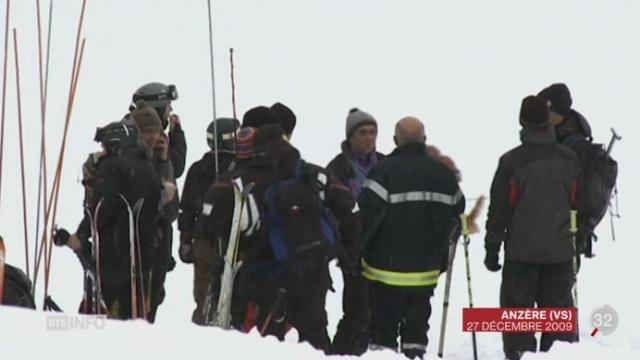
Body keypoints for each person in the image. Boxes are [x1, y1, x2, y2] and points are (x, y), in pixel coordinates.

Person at [197, 118, 354, 353]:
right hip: (311, 272)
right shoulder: (311, 174)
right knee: (315, 337)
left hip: (261, 275)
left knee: (262, 343)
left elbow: (207, 224)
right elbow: (348, 205)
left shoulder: (237, 181)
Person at [359, 116, 465, 359]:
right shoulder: (444, 176)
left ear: (395, 140)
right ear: (424, 140)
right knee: (417, 330)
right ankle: (414, 354)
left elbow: (367, 217)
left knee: (383, 332)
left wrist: (359, 252)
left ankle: (383, 351)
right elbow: (456, 217)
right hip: (425, 271)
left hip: (383, 269)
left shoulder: (382, 172)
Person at [484, 95, 580, 360]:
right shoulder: (569, 159)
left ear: (522, 121)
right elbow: (577, 204)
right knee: (558, 325)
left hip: (521, 255)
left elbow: (500, 210)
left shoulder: (512, 161)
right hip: (560, 254)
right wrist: (577, 242)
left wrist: (492, 246)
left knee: (518, 324)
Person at [66, 106, 169, 320]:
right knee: (137, 314)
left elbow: (102, 209)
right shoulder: (147, 167)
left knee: (103, 317)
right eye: (147, 132)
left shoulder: (112, 166)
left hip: (114, 255)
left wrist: (86, 234)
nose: (152, 137)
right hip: (145, 255)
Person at [326, 107, 384, 355]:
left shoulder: (385, 162)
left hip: (385, 247)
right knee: (357, 308)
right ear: (350, 136)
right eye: (363, 132)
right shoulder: (338, 167)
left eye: (373, 132)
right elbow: (330, 210)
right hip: (354, 249)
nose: (369, 138)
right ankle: (344, 352)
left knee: (381, 308)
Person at [178, 117, 240, 325]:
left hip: (202, 241)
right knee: (236, 296)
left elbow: (186, 210)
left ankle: (204, 333)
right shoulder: (242, 167)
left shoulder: (197, 169)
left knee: (205, 297)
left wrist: (185, 241)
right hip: (236, 241)